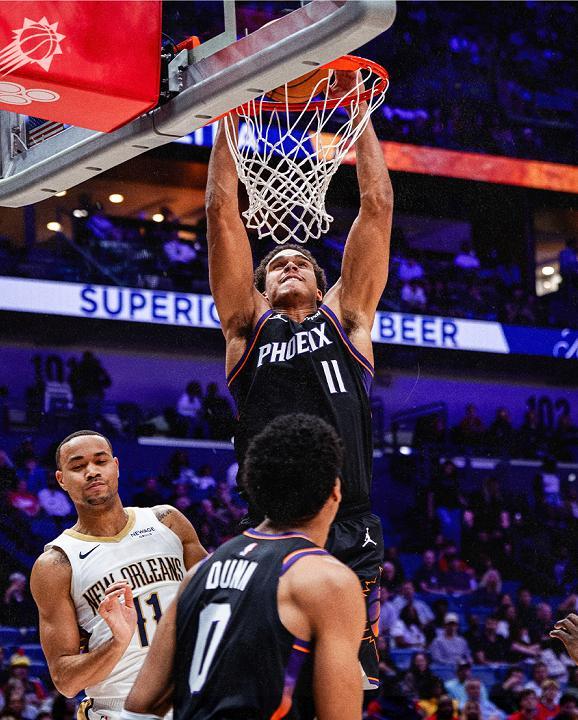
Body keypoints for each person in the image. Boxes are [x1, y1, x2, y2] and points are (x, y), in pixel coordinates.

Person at [204, 68, 393, 688]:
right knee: (270, 680)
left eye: (301, 262)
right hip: (273, 522)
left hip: (349, 518)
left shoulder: (348, 319)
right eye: (278, 264)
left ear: (321, 282)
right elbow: (221, 212)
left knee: (347, 681)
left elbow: (377, 207)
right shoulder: (245, 328)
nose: (289, 264)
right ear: (260, 287)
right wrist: (225, 119)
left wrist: (359, 114)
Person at [123, 414, 366, 719]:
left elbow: (140, 704)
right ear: (335, 491)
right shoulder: (327, 580)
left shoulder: (200, 572)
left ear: (256, 487)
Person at [30, 430, 207, 719]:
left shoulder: (168, 522)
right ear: (61, 479)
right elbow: (66, 681)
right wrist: (118, 642)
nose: (91, 471)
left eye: (100, 461)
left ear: (116, 466)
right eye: (78, 466)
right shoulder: (56, 564)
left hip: (196, 698)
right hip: (120, 708)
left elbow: (217, 602)